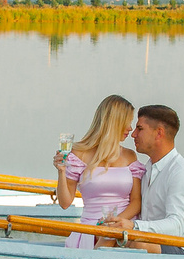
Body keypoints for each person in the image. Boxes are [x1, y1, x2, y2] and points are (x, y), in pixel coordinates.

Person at [52, 94, 145, 249]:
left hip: (123, 228)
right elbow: (65, 203)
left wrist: (115, 222)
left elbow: (136, 202)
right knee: (106, 237)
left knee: (117, 237)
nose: (130, 129)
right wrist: (61, 172)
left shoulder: (130, 156)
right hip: (91, 230)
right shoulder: (78, 154)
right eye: (127, 123)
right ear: (114, 123)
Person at [125, 104, 184, 249]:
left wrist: (134, 226)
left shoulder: (182, 172)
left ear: (159, 133)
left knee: (138, 245)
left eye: (139, 129)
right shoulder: (145, 170)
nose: (133, 134)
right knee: (112, 239)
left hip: (181, 251)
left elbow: (176, 226)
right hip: (151, 244)